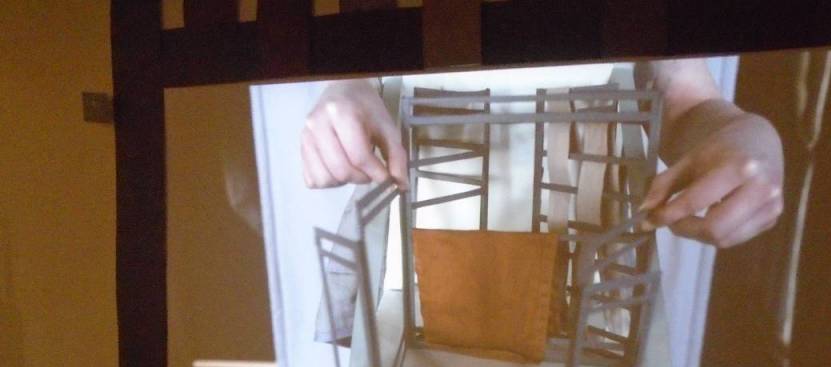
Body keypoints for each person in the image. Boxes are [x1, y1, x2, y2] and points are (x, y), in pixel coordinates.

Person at [299, 58, 783, 249]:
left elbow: (683, 99)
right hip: (412, 272)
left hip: (586, 272)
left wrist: (742, 133)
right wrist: (347, 81)